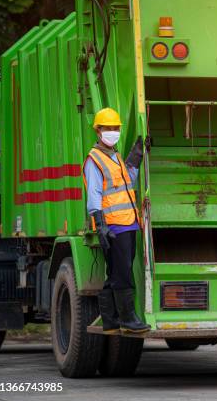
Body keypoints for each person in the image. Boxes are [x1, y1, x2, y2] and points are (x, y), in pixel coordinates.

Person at [83, 107, 150, 334]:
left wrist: (137, 155)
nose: (112, 132)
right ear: (98, 131)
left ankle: (110, 320)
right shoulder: (95, 160)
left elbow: (127, 181)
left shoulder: (115, 156)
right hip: (114, 225)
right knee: (122, 271)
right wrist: (100, 224)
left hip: (128, 221)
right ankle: (128, 319)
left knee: (116, 271)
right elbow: (94, 194)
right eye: (107, 128)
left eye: (115, 128)